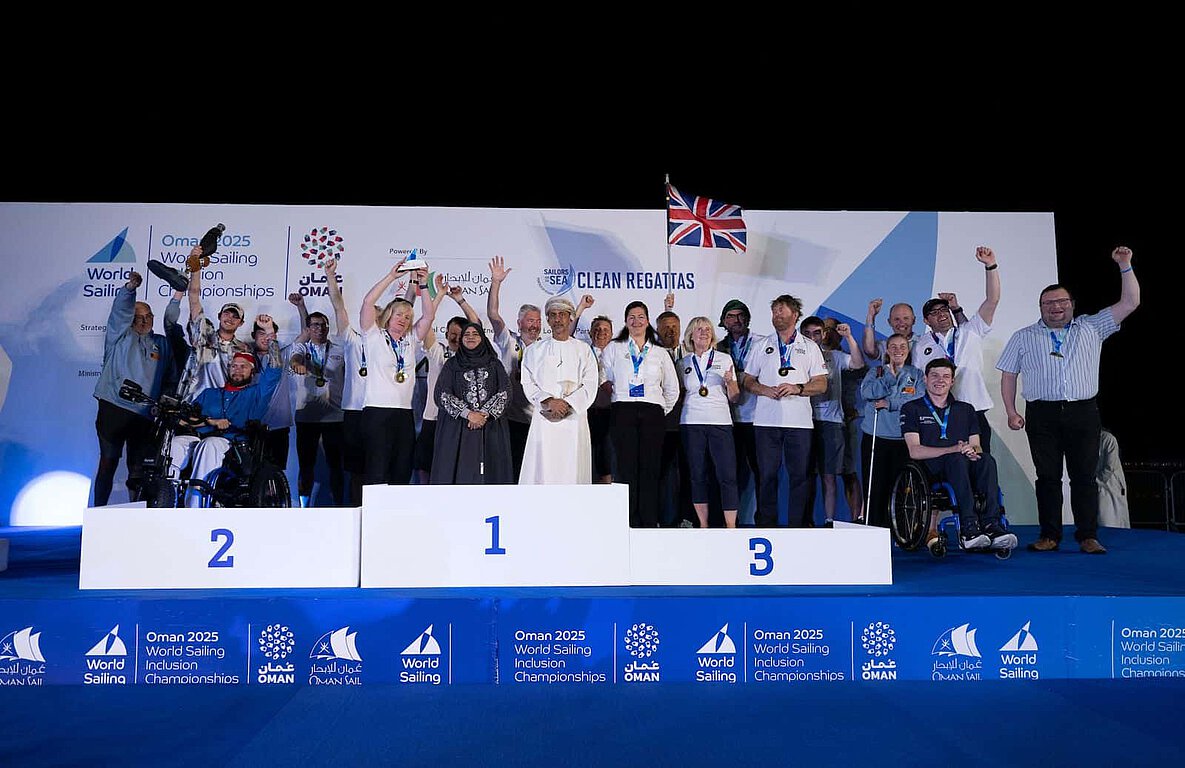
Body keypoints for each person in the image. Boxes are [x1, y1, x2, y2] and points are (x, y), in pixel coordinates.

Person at [997, 246, 1141, 554]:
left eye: (1061, 301)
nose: (1055, 307)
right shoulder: (1023, 336)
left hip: (1083, 412)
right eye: (1048, 303)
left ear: (1072, 304)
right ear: (1040, 307)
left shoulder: (1092, 327)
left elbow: (1130, 302)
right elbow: (1008, 375)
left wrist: (1125, 265)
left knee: (1084, 477)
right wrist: (1010, 411)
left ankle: (1087, 535)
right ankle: (1049, 536)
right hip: (1041, 414)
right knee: (1047, 478)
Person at [901, 358, 1015, 551]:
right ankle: (968, 528)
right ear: (925, 379)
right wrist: (952, 449)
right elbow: (915, 450)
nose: (940, 380)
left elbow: (976, 446)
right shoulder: (912, 408)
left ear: (952, 381)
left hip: (962, 462)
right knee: (956, 460)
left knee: (986, 460)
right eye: (935, 376)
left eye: (946, 376)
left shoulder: (966, 409)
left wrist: (972, 452)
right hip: (931, 468)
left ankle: (992, 525)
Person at [91, 270, 180, 505]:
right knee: (108, 462)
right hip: (114, 408)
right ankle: (98, 513)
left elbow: (171, 379)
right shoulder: (119, 336)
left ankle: (136, 514)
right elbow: (119, 311)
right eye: (138, 317)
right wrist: (130, 289)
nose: (144, 321)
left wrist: (165, 401)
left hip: (144, 415)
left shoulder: (162, 344)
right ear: (130, 319)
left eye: (148, 316)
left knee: (138, 470)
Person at [742, 295, 828, 527]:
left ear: (795, 315)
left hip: (799, 423)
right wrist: (762, 389)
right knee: (766, 475)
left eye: (781, 310)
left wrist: (798, 388)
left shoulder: (809, 347)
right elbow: (747, 379)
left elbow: (821, 384)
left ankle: (797, 526)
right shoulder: (762, 345)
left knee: (800, 476)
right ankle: (766, 525)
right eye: (774, 311)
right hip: (765, 422)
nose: (777, 315)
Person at [913, 246, 1001, 453]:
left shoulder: (970, 331)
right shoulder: (921, 345)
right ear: (926, 320)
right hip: (939, 414)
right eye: (934, 312)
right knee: (947, 463)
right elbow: (920, 380)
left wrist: (990, 266)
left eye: (944, 309)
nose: (941, 314)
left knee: (979, 461)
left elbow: (992, 300)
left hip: (973, 409)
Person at [358, 258, 439, 486]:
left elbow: (429, 316)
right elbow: (367, 302)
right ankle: (375, 508)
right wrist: (392, 276)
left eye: (407, 317)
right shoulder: (373, 335)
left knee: (401, 471)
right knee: (377, 471)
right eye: (399, 315)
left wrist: (424, 284)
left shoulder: (410, 340)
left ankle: (396, 509)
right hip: (376, 412)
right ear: (388, 316)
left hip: (404, 414)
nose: (403, 320)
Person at [170, 351, 283, 508]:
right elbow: (187, 420)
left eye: (243, 366)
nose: (237, 370)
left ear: (252, 372)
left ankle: (196, 505)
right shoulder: (209, 393)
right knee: (176, 443)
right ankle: (168, 497)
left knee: (209, 444)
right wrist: (210, 421)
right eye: (234, 366)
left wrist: (272, 342)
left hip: (233, 443)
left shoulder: (256, 393)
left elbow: (274, 371)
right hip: (200, 437)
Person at [602, 301, 680, 527]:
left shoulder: (659, 352)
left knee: (650, 468)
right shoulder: (614, 348)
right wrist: (616, 393)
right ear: (626, 322)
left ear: (647, 321)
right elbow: (603, 376)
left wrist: (658, 410)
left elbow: (672, 389)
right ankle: (629, 521)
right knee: (625, 468)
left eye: (640, 317)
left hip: (652, 413)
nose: (636, 321)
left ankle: (649, 521)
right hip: (623, 411)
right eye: (632, 317)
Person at [519, 296, 600, 484]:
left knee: (573, 468)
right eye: (553, 315)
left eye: (562, 314)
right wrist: (549, 402)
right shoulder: (534, 350)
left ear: (570, 318)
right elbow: (528, 383)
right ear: (547, 320)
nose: (558, 319)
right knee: (543, 469)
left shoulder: (583, 350)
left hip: (574, 418)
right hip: (544, 418)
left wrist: (567, 404)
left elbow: (590, 383)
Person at [289, 260, 348, 506]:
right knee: (306, 465)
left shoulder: (339, 348)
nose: (320, 329)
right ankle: (303, 507)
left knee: (336, 466)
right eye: (315, 325)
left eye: (323, 325)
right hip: (307, 416)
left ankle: (339, 505)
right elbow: (295, 359)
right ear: (308, 328)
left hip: (335, 416)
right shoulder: (301, 347)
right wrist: (298, 364)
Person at [414, 282, 481, 484]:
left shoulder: (472, 358)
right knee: (424, 465)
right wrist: (440, 295)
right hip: (433, 418)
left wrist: (460, 300)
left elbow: (476, 325)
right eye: (452, 333)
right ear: (446, 334)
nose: (456, 337)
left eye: (461, 334)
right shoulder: (437, 352)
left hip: (459, 420)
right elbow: (426, 321)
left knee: (456, 469)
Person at [431, 322, 513, 484]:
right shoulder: (452, 364)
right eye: (467, 334)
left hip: (490, 427)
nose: (471, 337)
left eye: (475, 334)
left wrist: (484, 414)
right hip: (459, 429)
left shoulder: (494, 364)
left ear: (482, 338)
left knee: (491, 473)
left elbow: (505, 391)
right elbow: (442, 394)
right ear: (461, 339)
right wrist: (468, 414)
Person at [801, 316, 865, 524]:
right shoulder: (795, 357)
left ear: (824, 334)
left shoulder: (834, 357)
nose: (812, 338)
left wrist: (849, 337)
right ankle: (805, 521)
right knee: (806, 475)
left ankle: (830, 520)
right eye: (807, 334)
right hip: (804, 422)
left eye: (817, 333)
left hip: (832, 423)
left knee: (830, 475)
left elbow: (858, 363)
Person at [679, 316, 741, 527]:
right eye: (699, 329)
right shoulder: (683, 363)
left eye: (707, 329)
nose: (704, 333)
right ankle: (703, 525)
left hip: (720, 422)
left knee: (727, 475)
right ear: (691, 335)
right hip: (691, 423)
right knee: (697, 475)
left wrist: (730, 382)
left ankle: (730, 525)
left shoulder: (724, 358)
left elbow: (735, 397)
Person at [859, 333, 924, 529]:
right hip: (876, 436)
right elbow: (867, 393)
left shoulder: (916, 374)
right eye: (893, 347)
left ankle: (902, 529)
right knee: (875, 485)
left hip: (904, 438)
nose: (898, 351)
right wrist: (888, 378)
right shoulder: (877, 371)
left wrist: (890, 403)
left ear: (908, 350)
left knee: (903, 486)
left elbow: (918, 400)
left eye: (902, 346)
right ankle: (875, 527)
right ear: (887, 350)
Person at [487, 255, 542, 479]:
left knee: (533, 472)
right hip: (509, 418)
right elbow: (493, 314)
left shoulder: (546, 348)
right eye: (530, 320)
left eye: (538, 321)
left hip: (537, 420)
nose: (535, 325)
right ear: (519, 323)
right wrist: (496, 282)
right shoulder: (508, 340)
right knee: (510, 469)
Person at [177, 246, 252, 401]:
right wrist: (196, 267)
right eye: (227, 314)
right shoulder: (203, 334)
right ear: (219, 316)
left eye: (235, 317)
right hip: (191, 401)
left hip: (222, 406)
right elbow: (193, 296)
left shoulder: (244, 349)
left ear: (241, 323)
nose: (230, 318)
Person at [717, 299, 763, 526]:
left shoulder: (762, 343)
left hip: (757, 417)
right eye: (730, 316)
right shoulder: (717, 348)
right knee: (729, 473)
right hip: (729, 419)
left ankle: (764, 519)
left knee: (762, 471)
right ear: (723, 321)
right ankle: (728, 521)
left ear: (747, 318)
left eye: (740, 315)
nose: (736, 320)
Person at [657, 293, 693, 527]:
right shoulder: (653, 355)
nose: (670, 331)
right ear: (657, 331)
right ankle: (665, 519)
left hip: (689, 422)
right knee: (665, 475)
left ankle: (687, 518)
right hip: (663, 424)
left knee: (690, 472)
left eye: (674, 327)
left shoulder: (691, 354)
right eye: (666, 328)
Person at [587, 314, 615, 483]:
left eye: (605, 330)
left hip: (611, 412)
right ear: (590, 333)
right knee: (587, 458)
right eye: (597, 329)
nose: (601, 332)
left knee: (607, 458)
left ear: (612, 334)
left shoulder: (618, 355)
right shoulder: (583, 352)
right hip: (587, 412)